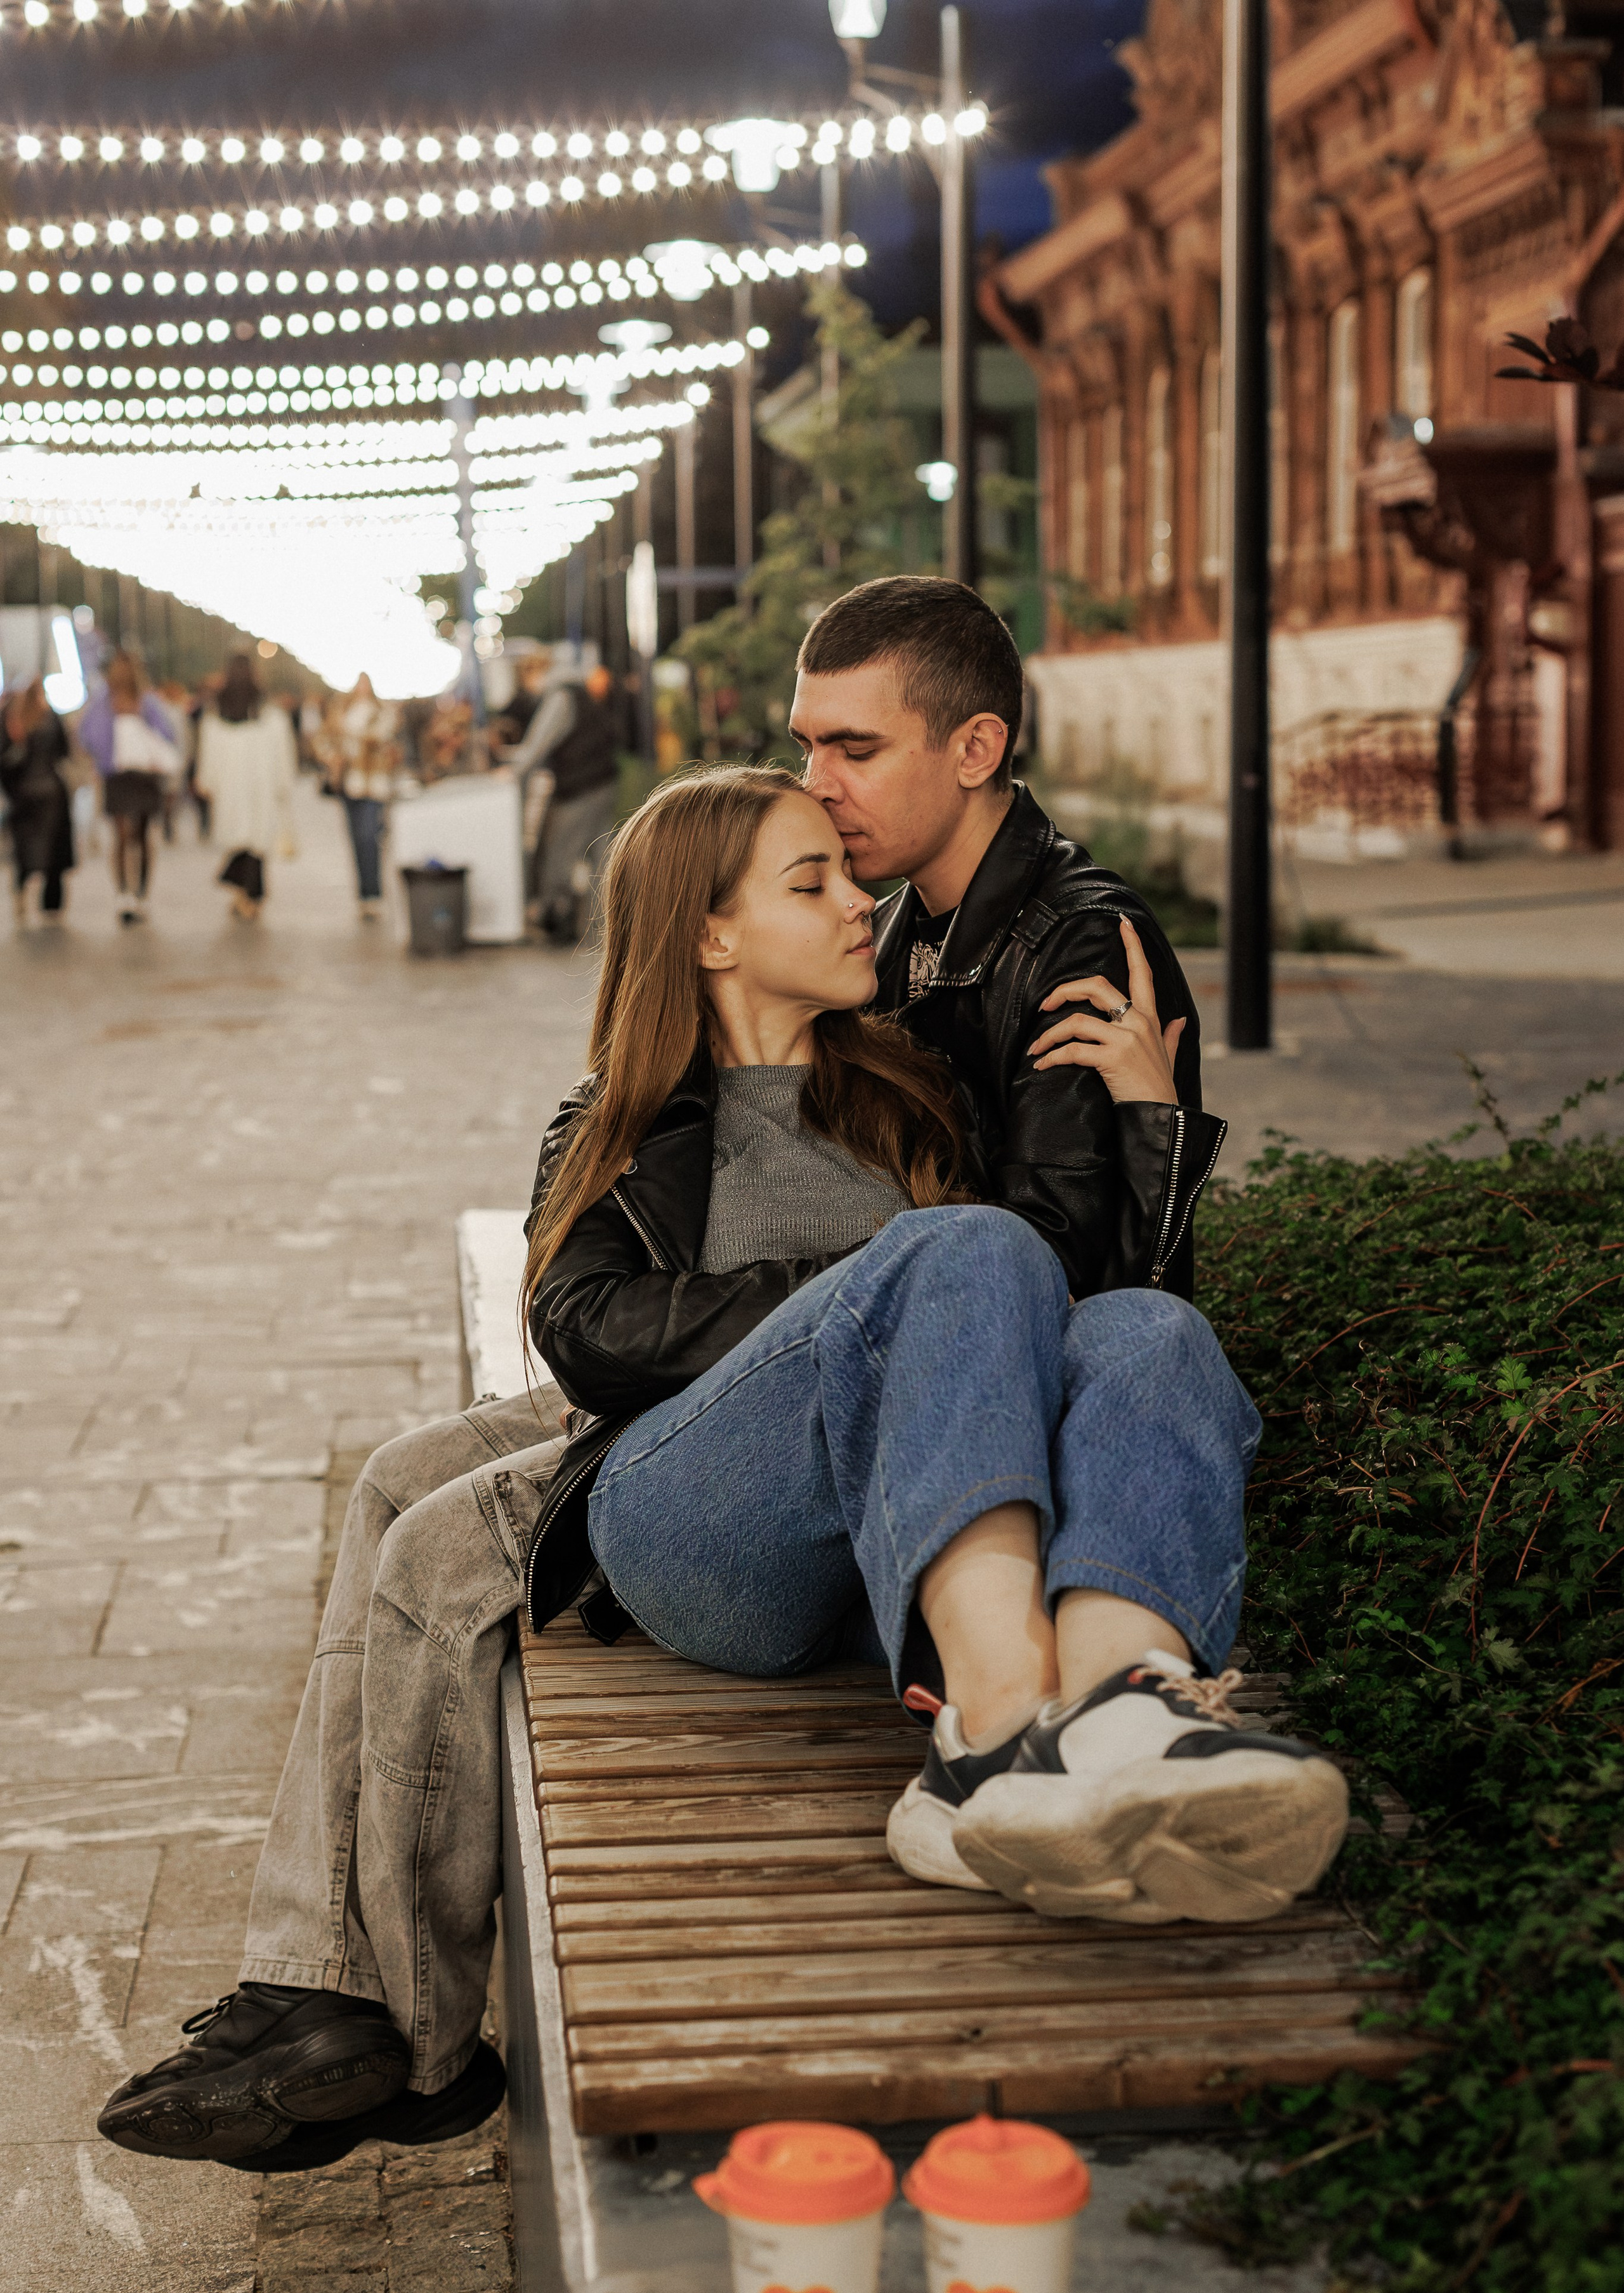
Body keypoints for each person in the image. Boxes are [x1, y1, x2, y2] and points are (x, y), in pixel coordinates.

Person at [96, 757, 1347, 2179]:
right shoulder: (620, 1118)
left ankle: (1121, 1713)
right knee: (941, 1257)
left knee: (1151, 1331)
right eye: (810, 881)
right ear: (710, 931)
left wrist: (1148, 1129)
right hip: (701, 1537)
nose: (858, 901)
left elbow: (1054, 1320)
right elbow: (583, 1329)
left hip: (893, 1544)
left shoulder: (915, 1092)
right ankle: (994, 1736)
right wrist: (852, 1300)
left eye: (850, 872)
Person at [507, 655, 620, 941]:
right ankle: (600, 932)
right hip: (604, 780)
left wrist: (512, 774)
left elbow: (538, 744)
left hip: (580, 787)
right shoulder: (579, 691)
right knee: (600, 859)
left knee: (559, 854)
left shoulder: (560, 697)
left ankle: (554, 920)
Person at [80, 650, 181, 926]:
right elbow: (87, 734)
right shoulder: (103, 702)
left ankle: (142, 893)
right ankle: (125, 894)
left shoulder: (147, 702)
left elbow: (167, 733)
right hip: (118, 775)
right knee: (123, 833)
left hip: (145, 775)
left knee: (144, 833)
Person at [195, 654, 298, 922]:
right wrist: (283, 783)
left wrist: (208, 781)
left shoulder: (216, 714)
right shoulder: (269, 714)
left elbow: (209, 752)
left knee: (244, 841)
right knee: (255, 842)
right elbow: (282, 753)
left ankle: (246, 895)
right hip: (261, 787)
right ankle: (250, 896)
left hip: (232, 787)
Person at [320, 674, 398, 917]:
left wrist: (350, 734)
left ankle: (373, 892)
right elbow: (324, 740)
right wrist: (333, 757)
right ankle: (365, 893)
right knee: (356, 840)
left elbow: (381, 737)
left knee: (369, 837)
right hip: (350, 783)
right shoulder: (342, 711)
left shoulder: (381, 713)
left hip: (373, 784)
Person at [1, 676, 75, 925]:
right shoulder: (50, 718)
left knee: (24, 849)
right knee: (53, 849)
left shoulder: (13, 720)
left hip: (23, 794)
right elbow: (64, 751)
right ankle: (51, 904)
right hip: (51, 791)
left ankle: (21, 890)